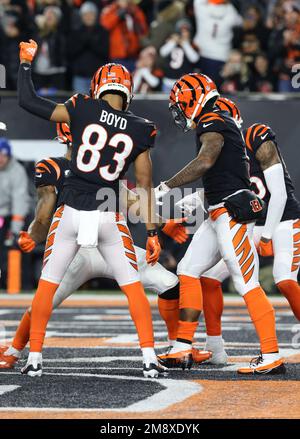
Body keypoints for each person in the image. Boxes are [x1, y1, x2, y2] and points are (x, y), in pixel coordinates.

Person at [0, 123, 212, 369]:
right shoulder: (71, 166)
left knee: (168, 283)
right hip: (77, 252)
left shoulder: (101, 166)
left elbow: (130, 200)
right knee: (44, 300)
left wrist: (163, 225)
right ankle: (14, 349)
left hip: (107, 246)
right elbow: (47, 211)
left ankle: (179, 346)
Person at [17, 39, 162, 378]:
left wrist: (25, 64)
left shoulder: (82, 106)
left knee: (47, 286)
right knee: (133, 288)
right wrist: (153, 231)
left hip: (70, 212)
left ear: (97, 88)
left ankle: (34, 358)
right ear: (127, 92)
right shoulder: (141, 129)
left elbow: (28, 101)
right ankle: (149, 359)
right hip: (107, 215)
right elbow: (144, 186)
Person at [155, 73, 284, 375]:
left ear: (191, 99)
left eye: (180, 105)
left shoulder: (213, 120)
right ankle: (183, 345)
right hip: (218, 211)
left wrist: (166, 186)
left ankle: (271, 353)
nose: (179, 111)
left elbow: (206, 160)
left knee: (245, 282)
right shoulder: (217, 120)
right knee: (188, 270)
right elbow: (221, 172)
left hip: (232, 213)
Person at [198, 97, 300, 366]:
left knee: (284, 279)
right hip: (252, 222)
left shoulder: (255, 135)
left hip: (283, 219)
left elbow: (278, 194)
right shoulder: (221, 148)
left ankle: (269, 352)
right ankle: (215, 347)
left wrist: (266, 237)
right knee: (208, 277)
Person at [0, 136, 30, 289]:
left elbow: (19, 201)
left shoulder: (16, 171)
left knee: (13, 248)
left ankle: (19, 285)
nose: (0, 159)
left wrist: (14, 230)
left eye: (2, 155)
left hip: (10, 217)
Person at [193, 0, 243, 86]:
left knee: (198, 88)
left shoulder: (202, 8)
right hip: (220, 56)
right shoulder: (230, 12)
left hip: (200, 53)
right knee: (213, 89)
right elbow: (240, 22)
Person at [67, 2, 109, 94]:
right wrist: (85, 42)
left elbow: (105, 52)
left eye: (91, 14)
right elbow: (71, 52)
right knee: (80, 106)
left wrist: (90, 43)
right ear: (81, 16)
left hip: (98, 77)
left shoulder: (103, 32)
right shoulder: (75, 32)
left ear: (96, 15)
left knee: (97, 106)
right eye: (86, 14)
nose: (89, 17)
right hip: (80, 76)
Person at [100, 0, 148, 72]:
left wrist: (134, 16)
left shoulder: (134, 9)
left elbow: (143, 29)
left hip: (133, 55)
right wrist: (117, 15)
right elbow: (105, 25)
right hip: (117, 56)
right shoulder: (111, 9)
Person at [159, 18, 200, 93]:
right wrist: (173, 42)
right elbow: (162, 52)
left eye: (185, 31)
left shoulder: (191, 45)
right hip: (168, 81)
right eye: (181, 31)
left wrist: (185, 44)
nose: (183, 33)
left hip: (184, 84)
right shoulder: (171, 42)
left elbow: (194, 59)